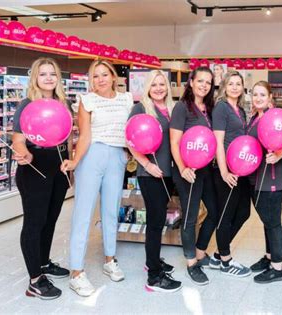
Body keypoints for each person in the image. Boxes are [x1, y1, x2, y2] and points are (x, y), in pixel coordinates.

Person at [60, 60, 133, 297]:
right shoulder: (87, 100)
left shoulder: (127, 99)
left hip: (117, 157)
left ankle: (110, 260)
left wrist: (129, 154)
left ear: (113, 76)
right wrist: (75, 161)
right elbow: (85, 135)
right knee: (83, 213)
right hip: (91, 156)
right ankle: (76, 272)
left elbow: (131, 131)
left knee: (111, 211)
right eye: (95, 76)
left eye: (104, 74)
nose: (100, 79)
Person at [12, 57, 71, 300]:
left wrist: (70, 164)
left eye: (52, 74)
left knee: (50, 219)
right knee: (34, 222)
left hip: (59, 166)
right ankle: (35, 280)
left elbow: (66, 136)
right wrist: (22, 152)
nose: (48, 78)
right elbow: (17, 137)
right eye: (43, 74)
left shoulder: (62, 103)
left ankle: (44, 262)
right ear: (35, 78)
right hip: (34, 165)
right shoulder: (27, 104)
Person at [127, 70, 182, 292]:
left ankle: (154, 261)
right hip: (150, 174)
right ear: (147, 88)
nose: (159, 88)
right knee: (155, 222)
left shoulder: (171, 109)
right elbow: (130, 140)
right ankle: (154, 276)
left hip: (167, 174)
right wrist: (147, 165)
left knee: (159, 219)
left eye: (162, 84)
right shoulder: (140, 108)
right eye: (154, 85)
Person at [169, 66, 219, 285]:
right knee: (190, 217)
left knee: (214, 211)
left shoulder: (209, 108)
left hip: (206, 169)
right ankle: (191, 262)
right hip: (187, 170)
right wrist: (182, 168)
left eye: (208, 82)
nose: (204, 85)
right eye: (200, 81)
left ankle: (200, 250)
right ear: (191, 82)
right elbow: (174, 142)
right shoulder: (182, 108)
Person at [246, 81, 282, 283]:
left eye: (262, 94)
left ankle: (278, 268)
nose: (258, 98)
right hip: (256, 177)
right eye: (255, 94)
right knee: (266, 221)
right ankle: (269, 257)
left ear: (270, 97)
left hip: (272, 177)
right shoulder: (254, 116)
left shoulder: (275, 116)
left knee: (273, 223)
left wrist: (280, 153)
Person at [212, 70, 252, 277]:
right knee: (225, 215)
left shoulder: (241, 110)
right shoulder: (221, 108)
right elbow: (218, 142)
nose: (235, 87)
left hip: (241, 170)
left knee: (244, 212)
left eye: (238, 84)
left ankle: (219, 252)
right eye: (231, 83)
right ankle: (225, 260)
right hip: (227, 170)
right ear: (224, 86)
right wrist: (224, 171)